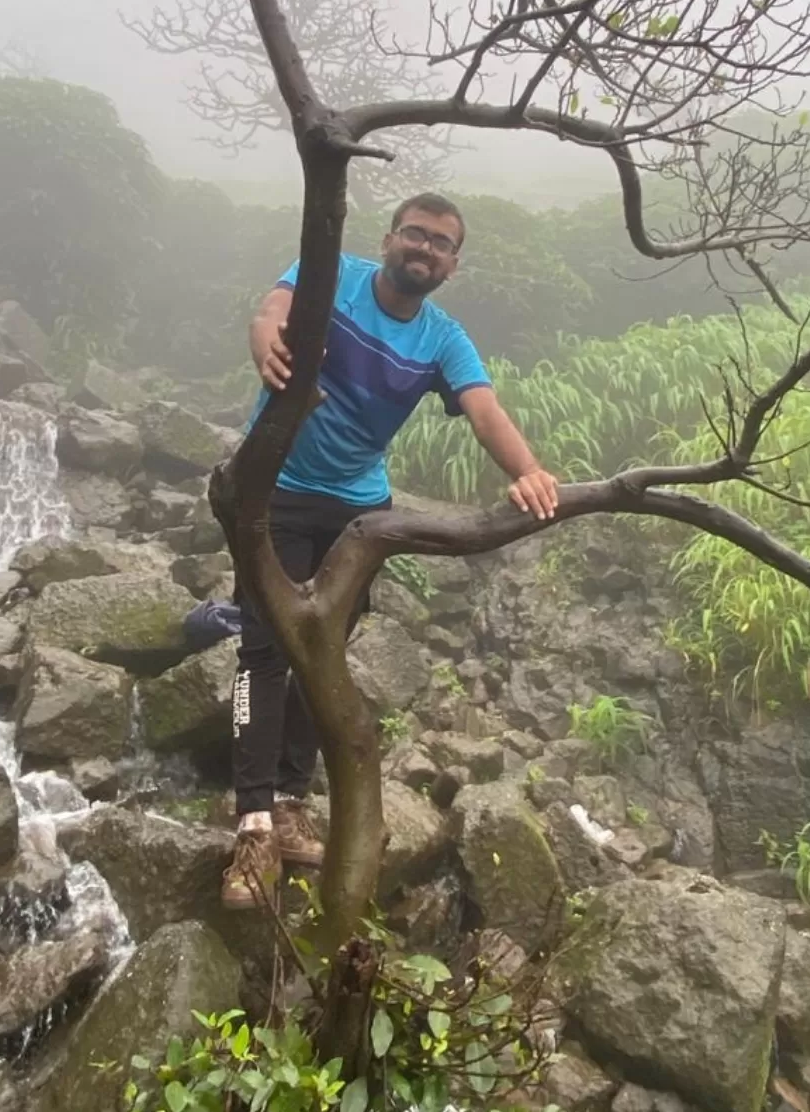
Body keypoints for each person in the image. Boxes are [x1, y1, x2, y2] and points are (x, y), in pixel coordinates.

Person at [221, 191, 560, 909]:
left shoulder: (442, 338)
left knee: (325, 655)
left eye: (441, 243)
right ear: (390, 237)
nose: (425, 249)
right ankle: (251, 823)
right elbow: (270, 311)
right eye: (416, 234)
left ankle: (288, 803)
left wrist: (528, 473)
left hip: (358, 508)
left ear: (452, 264)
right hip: (274, 487)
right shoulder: (334, 274)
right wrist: (265, 344)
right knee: (263, 650)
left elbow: (484, 408)